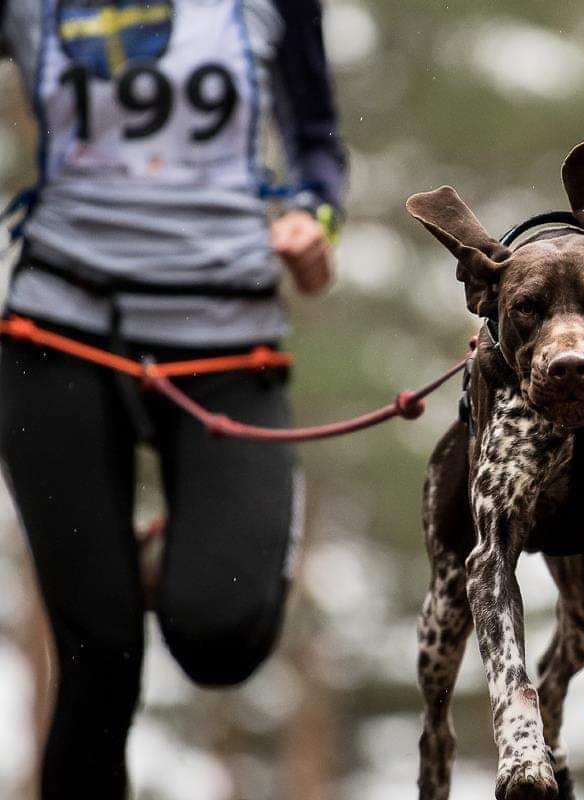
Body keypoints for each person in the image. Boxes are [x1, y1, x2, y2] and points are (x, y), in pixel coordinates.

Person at [0, 1, 347, 797]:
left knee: (221, 638)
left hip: (226, 343)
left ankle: (177, 558)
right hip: (58, 339)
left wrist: (312, 218)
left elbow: (318, 147)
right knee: (98, 657)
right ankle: (110, 587)